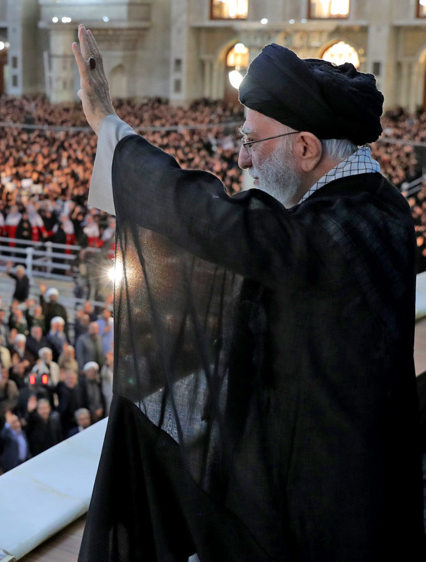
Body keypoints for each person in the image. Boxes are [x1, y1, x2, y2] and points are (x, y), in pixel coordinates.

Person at [72, 25, 425, 561]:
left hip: (328, 514)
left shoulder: (325, 235)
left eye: (250, 140)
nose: (241, 160)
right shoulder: (382, 205)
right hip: (356, 477)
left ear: (306, 147)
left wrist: (108, 127)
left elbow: (212, 218)